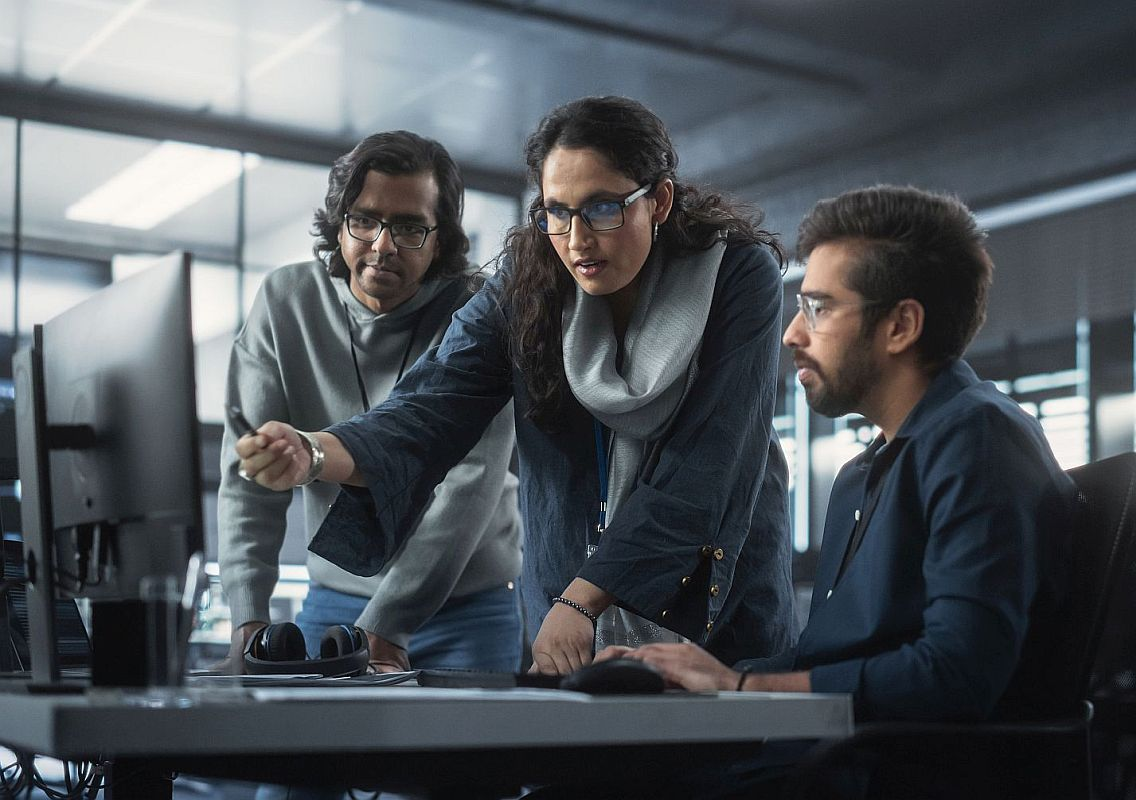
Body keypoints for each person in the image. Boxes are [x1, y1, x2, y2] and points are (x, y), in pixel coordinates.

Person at [235, 95, 796, 674]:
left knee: (719, 762)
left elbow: (707, 465)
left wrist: (587, 595)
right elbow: (429, 405)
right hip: (564, 608)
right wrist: (315, 452)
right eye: (556, 210)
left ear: (658, 200)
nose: (576, 240)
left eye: (603, 208)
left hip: (708, 607)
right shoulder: (528, 281)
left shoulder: (735, 275)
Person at [600, 185, 1075, 728]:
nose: (792, 334)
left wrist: (740, 687)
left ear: (901, 326)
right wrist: (698, 674)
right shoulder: (864, 473)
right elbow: (830, 660)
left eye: (818, 308)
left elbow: (956, 674)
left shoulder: (978, 440)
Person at [218, 130, 523, 676]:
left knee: (466, 762)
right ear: (340, 223)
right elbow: (250, 473)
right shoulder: (287, 301)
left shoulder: (480, 311)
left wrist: (389, 625)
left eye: (409, 227)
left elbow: (469, 483)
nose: (382, 245)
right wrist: (248, 624)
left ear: (440, 238)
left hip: (468, 607)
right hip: (335, 601)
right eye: (364, 219)